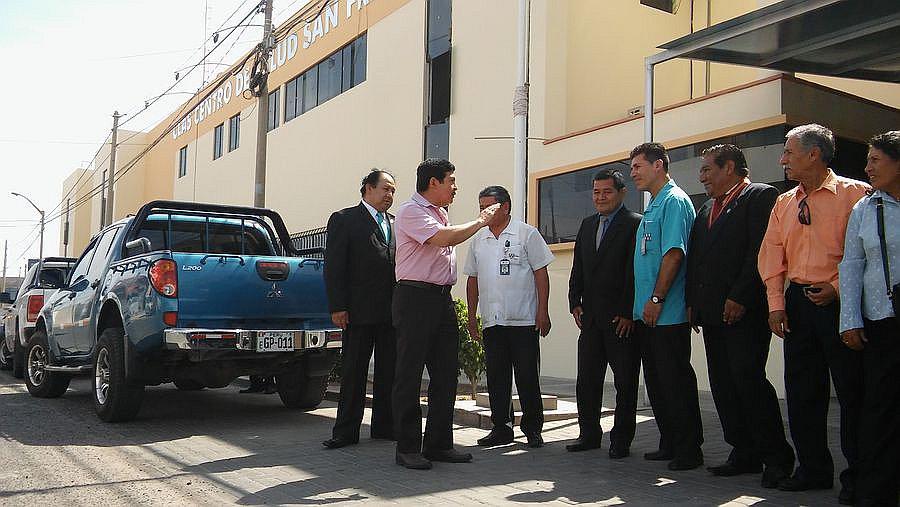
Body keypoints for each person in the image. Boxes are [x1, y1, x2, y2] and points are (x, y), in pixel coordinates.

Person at [758, 124, 869, 503]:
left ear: (814, 154)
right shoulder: (784, 203)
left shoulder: (857, 195)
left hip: (844, 304)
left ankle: (859, 476)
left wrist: (836, 288)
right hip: (799, 306)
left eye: (788, 152)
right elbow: (772, 254)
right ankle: (813, 470)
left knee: (853, 394)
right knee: (803, 393)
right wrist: (776, 303)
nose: (782, 159)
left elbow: (865, 252)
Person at [685, 144, 794, 487]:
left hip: (743, 312)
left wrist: (740, 296)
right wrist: (693, 302)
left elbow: (759, 252)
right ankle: (743, 451)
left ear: (729, 167)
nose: (701, 176)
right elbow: (697, 260)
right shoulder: (705, 209)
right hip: (712, 312)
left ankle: (776, 457)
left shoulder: (760, 196)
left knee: (748, 380)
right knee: (722, 384)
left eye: (707, 169)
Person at [391, 158, 502, 470]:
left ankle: (438, 444)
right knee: (410, 375)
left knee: (445, 373)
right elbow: (446, 238)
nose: (455, 187)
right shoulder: (411, 211)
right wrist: (481, 220)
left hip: (441, 300)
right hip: (414, 298)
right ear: (433, 183)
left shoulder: (439, 212)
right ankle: (408, 447)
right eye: (451, 181)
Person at [629, 142, 704, 471]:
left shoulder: (675, 201)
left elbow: (674, 254)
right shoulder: (654, 204)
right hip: (647, 315)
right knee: (658, 383)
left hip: (667, 313)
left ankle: (689, 448)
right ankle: (670, 441)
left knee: (675, 381)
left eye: (638, 166)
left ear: (659, 165)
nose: (633, 173)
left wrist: (658, 299)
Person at [464, 186, 554, 449]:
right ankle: (501, 427)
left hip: (523, 320)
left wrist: (543, 311)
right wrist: (472, 315)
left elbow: (541, 274)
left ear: (505, 207)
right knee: (496, 378)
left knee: (527, 376)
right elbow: (472, 280)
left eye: (488, 206)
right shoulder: (478, 239)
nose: (484, 212)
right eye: (481, 207)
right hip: (493, 321)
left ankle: (532, 429)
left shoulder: (526, 233)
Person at [838, 131, 899, 507]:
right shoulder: (866, 207)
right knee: (881, 409)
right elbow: (852, 265)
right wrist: (850, 319)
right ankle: (877, 491)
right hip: (883, 319)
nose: (867, 168)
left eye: (875, 160)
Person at [566, 169, 642, 459]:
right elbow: (579, 268)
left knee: (624, 382)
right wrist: (575, 301)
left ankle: (621, 440)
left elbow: (634, 273)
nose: (600, 197)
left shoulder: (634, 224)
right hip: (591, 320)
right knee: (587, 380)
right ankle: (588, 434)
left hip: (620, 321)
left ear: (622, 193)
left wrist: (627, 311)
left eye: (607, 192)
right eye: (596, 192)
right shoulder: (587, 225)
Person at [322, 169, 398, 449]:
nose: (389, 195)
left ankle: (385, 427)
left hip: (390, 311)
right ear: (368, 188)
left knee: (389, 371)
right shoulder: (345, 219)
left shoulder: (394, 222)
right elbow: (334, 266)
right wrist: (338, 306)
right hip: (357, 310)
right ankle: (345, 431)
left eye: (393, 191)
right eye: (385, 189)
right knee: (354, 371)